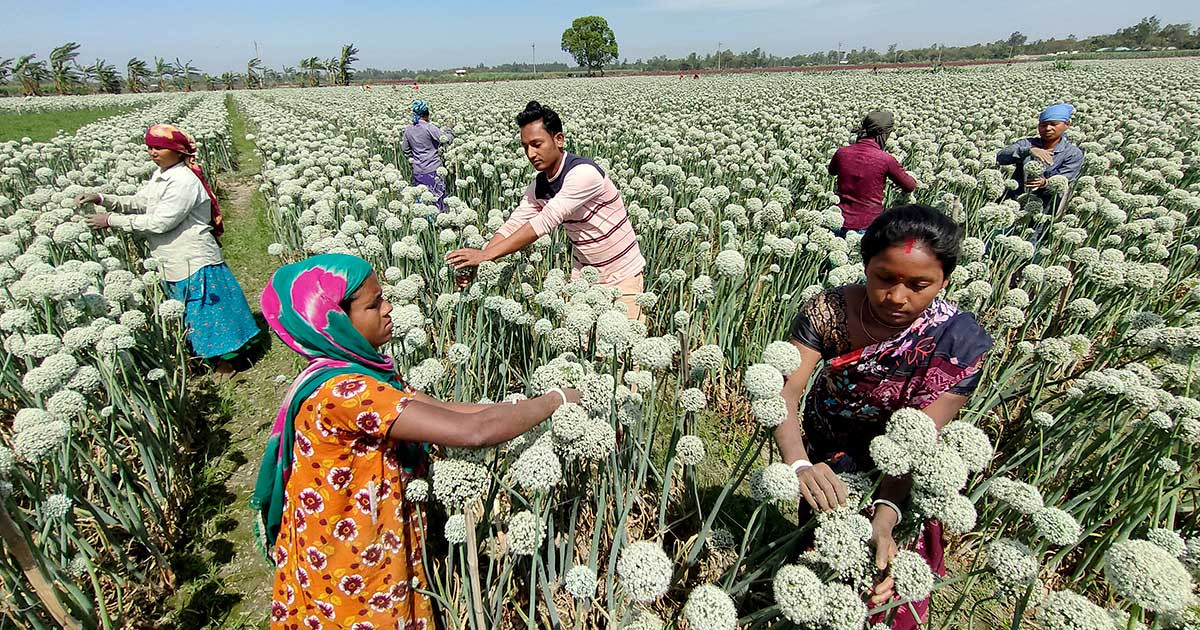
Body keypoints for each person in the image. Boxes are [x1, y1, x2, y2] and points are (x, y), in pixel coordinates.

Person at [254, 253, 580, 629]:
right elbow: (475, 433)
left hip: (365, 536)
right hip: (351, 555)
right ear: (335, 321)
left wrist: (515, 406)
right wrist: (555, 400)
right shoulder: (347, 391)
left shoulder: (356, 371)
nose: (389, 308)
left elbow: (448, 411)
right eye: (374, 305)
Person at [772, 205, 993, 629]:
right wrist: (800, 465)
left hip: (906, 468)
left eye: (919, 285)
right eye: (884, 278)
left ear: (945, 281)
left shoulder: (957, 343)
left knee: (885, 569)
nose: (897, 296)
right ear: (866, 267)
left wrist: (887, 513)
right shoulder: (830, 311)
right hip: (826, 449)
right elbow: (785, 392)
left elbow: (919, 438)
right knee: (821, 551)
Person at [75, 124, 259, 378]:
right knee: (192, 311)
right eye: (150, 147)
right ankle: (205, 358)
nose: (153, 152)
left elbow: (161, 222)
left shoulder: (184, 181)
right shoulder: (162, 175)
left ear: (178, 150)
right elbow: (142, 202)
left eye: (159, 147)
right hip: (173, 258)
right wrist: (101, 198)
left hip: (193, 257)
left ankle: (227, 363)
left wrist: (111, 221)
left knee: (208, 310)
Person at [445, 101, 647, 319]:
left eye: (537, 144)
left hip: (623, 274)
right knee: (583, 348)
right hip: (585, 276)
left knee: (619, 348)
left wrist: (485, 255)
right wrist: (480, 263)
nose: (531, 154)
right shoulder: (540, 185)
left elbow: (546, 220)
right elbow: (513, 224)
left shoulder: (583, 174)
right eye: (525, 147)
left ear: (558, 140)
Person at [828, 111, 917, 237]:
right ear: (884, 133)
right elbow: (910, 186)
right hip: (867, 225)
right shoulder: (885, 159)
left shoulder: (842, 152)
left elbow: (832, 171)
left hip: (838, 220)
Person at [995, 103, 1083, 204]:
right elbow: (1000, 157)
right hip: (1012, 200)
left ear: (1067, 125)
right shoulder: (1027, 143)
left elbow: (1065, 179)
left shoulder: (1073, 154)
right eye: (1043, 125)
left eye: (1053, 124)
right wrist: (1029, 150)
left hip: (1044, 207)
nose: (1048, 128)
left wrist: (1045, 183)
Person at [402, 100, 455, 212]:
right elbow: (445, 140)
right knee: (437, 198)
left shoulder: (408, 129)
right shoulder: (429, 127)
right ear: (427, 114)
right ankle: (437, 224)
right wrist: (450, 130)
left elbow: (405, 149)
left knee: (423, 200)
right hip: (433, 169)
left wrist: (415, 157)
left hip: (418, 171)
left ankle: (427, 222)